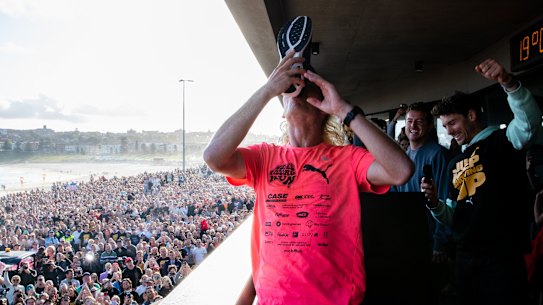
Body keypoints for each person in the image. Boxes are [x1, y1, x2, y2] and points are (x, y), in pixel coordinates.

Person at [203, 49, 414, 304]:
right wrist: (267, 90)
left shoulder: (347, 159)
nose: (299, 87)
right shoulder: (264, 158)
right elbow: (214, 157)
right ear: (282, 110)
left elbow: (401, 171)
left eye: (308, 84)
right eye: (292, 85)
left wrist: (344, 110)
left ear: (324, 107)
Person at [423, 58, 541, 305]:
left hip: (501, 258)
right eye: (444, 126)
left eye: (452, 122)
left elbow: (528, 125)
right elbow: (454, 214)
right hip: (465, 258)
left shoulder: (502, 141)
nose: (449, 130)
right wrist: (435, 204)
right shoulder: (457, 161)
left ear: (472, 115)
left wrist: (509, 83)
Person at [389, 101, 454, 302]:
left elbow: (445, 200)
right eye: (409, 121)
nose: (413, 126)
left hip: (433, 243)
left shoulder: (439, 155)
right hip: (411, 241)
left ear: (429, 125)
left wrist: (439, 241)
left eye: (419, 121)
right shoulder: (403, 157)